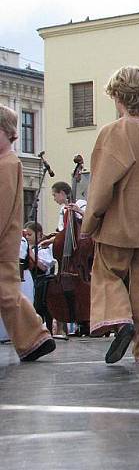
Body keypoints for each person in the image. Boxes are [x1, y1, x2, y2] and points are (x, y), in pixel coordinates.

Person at [81, 66, 139, 365]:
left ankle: (120, 318)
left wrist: (90, 222)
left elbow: (103, 184)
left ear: (118, 96)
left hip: (119, 224)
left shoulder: (113, 132)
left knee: (106, 274)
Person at [0, 104, 55, 361]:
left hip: (3, 241)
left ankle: (35, 337)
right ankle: (35, 338)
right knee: (7, 293)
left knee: (8, 294)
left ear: (6, 132)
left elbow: (2, 206)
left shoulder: (7, 164)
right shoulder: (8, 162)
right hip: (6, 241)